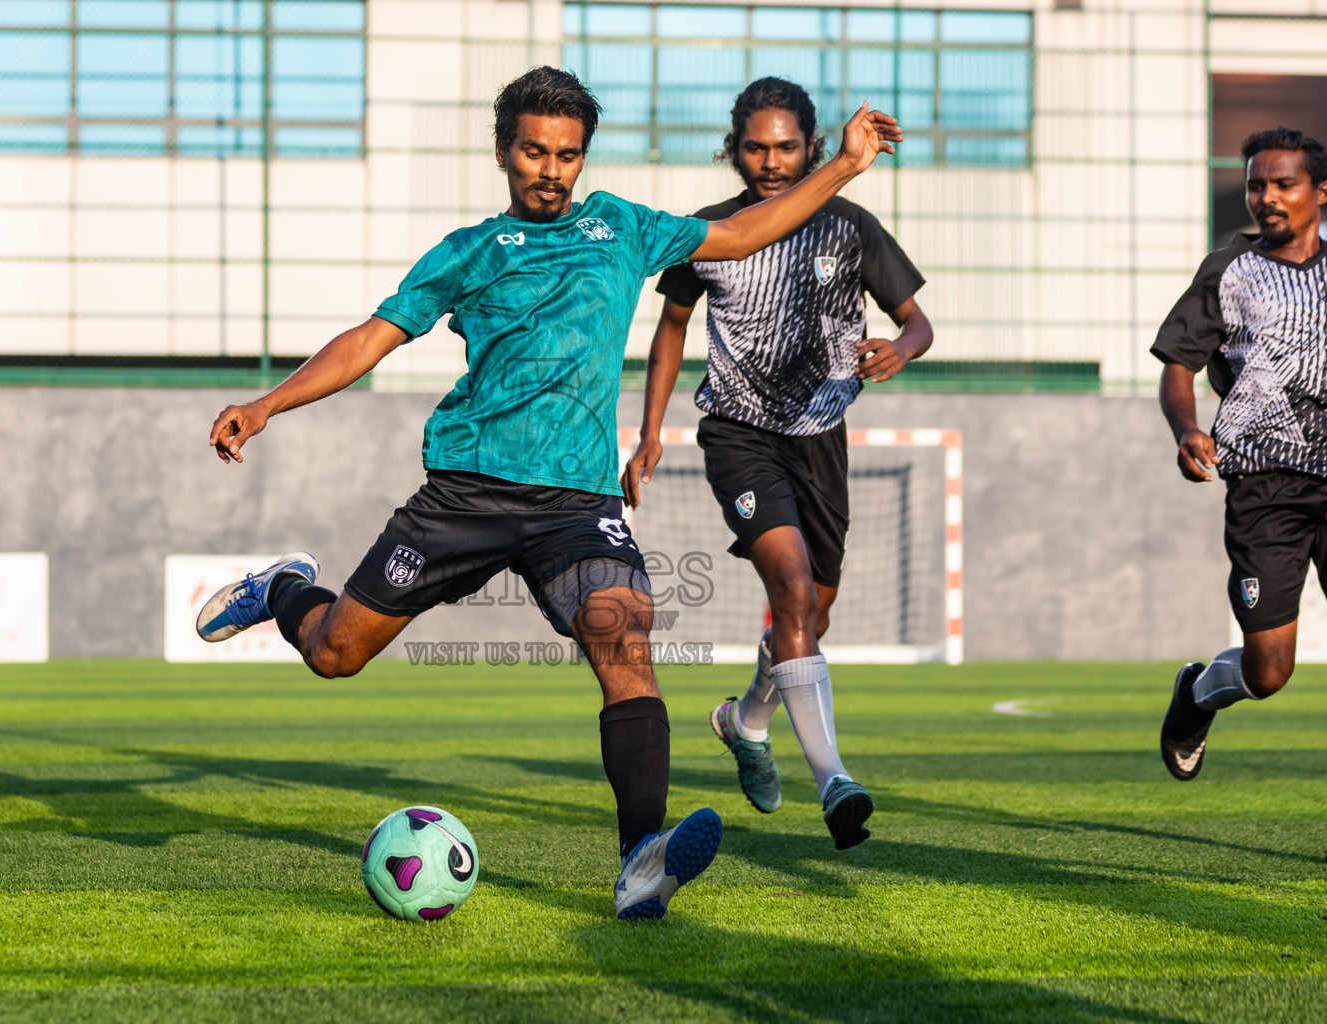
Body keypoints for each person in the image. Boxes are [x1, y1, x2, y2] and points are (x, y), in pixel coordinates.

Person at [196, 66, 902, 918]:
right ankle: (281, 590)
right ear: (503, 152)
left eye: (568, 154)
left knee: (626, 643)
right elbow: (365, 342)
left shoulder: (623, 228)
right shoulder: (468, 253)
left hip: (576, 508)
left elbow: (745, 233)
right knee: (336, 654)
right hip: (465, 497)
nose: (552, 169)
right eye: (535, 151)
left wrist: (844, 169)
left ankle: (642, 858)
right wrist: (266, 404)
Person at [622, 77, 931, 850]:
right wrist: (651, 430)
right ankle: (835, 781)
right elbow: (671, 327)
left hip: (821, 439)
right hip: (737, 436)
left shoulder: (849, 226)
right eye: (755, 147)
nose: (770, 160)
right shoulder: (709, 231)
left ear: (811, 146)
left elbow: (918, 321)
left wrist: (900, 348)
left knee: (810, 616)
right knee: (791, 591)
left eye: (786, 146)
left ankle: (745, 721)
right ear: (735, 147)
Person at [1153, 126, 1327, 780]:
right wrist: (1187, 431)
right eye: (1258, 184)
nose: (1268, 197)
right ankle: (1198, 695)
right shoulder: (1227, 270)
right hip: (1264, 491)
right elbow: (1177, 364)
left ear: (1320, 192)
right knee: (1270, 671)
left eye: (1285, 184)